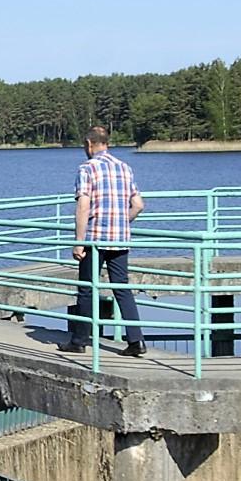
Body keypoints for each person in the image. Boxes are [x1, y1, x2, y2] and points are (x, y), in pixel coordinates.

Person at [63, 126, 146, 356]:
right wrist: (121, 221)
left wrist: (79, 242)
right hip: (120, 237)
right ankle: (136, 341)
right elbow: (139, 204)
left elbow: (83, 205)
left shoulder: (87, 169)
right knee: (122, 288)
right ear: (106, 143)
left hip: (95, 238)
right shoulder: (125, 168)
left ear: (89, 145)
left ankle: (79, 341)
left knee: (87, 289)